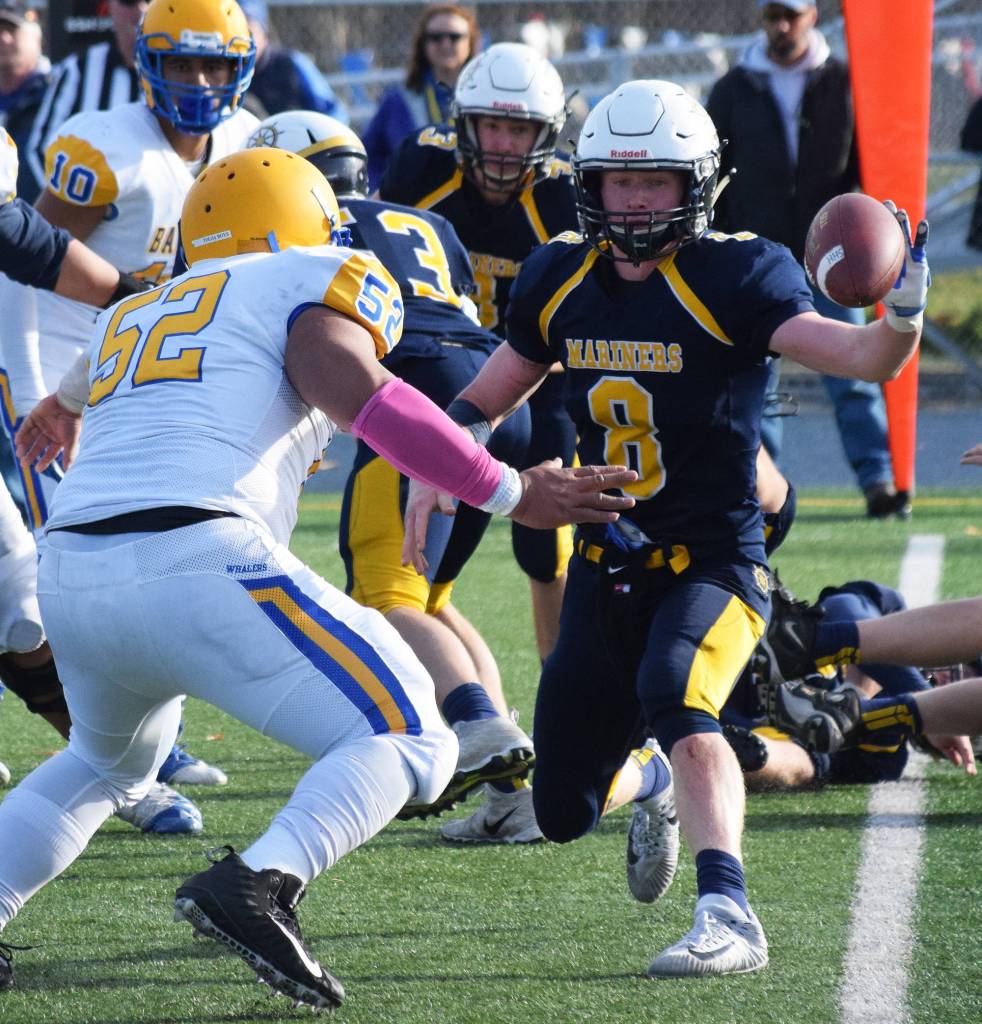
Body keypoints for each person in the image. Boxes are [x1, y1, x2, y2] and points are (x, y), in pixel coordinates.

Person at [0, 144, 634, 1000]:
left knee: (107, 765)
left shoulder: (139, 310)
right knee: (413, 734)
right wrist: (513, 489)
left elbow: (83, 391)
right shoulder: (308, 271)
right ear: (303, 228)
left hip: (74, 572)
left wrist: (59, 409)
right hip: (197, 552)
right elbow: (362, 394)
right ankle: (261, 882)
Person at [403, 78, 930, 978]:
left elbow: (861, 356)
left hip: (719, 558)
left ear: (699, 185)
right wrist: (438, 464)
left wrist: (904, 312)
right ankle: (651, 782)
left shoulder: (737, 272)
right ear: (590, 184)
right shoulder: (558, 273)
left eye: (656, 182)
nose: (637, 201)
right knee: (563, 809)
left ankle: (728, 912)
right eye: (620, 181)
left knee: (682, 695)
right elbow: (486, 395)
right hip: (609, 562)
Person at [0, 0, 262, 832]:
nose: (196, 83)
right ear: (146, 62)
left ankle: (136, 747)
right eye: (179, 64)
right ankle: (129, 753)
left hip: (153, 379)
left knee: (141, 557)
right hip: (60, 369)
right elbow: (27, 264)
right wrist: (53, 380)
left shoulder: (254, 144)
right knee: (67, 571)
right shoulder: (103, 147)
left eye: (212, 65)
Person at [246, 109, 541, 839]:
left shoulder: (313, 234)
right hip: (492, 391)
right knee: (430, 595)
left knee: (383, 596)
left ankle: (474, 720)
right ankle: (508, 789)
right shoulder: (425, 224)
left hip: (417, 400)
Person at [380, 42, 578, 667]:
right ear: (463, 122)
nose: (501, 144)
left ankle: (560, 693)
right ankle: (459, 683)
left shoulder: (565, 198)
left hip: (538, 378)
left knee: (546, 549)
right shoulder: (421, 168)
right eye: (491, 124)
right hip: (441, 373)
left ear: (545, 135)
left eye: (519, 130)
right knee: (417, 553)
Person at [706, 0, 906, 519]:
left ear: (812, 15)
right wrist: (724, 247)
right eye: (773, 15)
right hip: (758, 255)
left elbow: (872, 159)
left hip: (835, 256)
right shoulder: (732, 88)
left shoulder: (844, 79)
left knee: (856, 367)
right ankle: (760, 485)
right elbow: (714, 176)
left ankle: (878, 480)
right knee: (758, 381)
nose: (781, 25)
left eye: (790, 15)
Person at [25, 0, 147, 196]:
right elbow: (41, 149)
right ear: (111, 7)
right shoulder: (78, 70)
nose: (141, 9)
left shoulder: (184, 72)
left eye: (151, 1)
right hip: (90, 213)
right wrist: (70, 203)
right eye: (128, 1)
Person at [362, 4, 478, 190]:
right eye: (436, 37)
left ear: (470, 42)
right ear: (423, 43)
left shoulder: (483, 100)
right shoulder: (398, 99)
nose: (445, 44)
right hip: (409, 208)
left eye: (455, 37)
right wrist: (381, 191)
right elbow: (369, 154)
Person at [238, 0, 348, 123]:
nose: (242, 40)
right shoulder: (226, 69)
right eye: (236, 32)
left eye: (248, 32)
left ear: (263, 31)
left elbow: (332, 114)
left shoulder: (290, 64)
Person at [0, 0, 48, 203]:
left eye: (11, 29)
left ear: (37, 38)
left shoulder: (60, 96)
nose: (3, 38)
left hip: (44, 226)